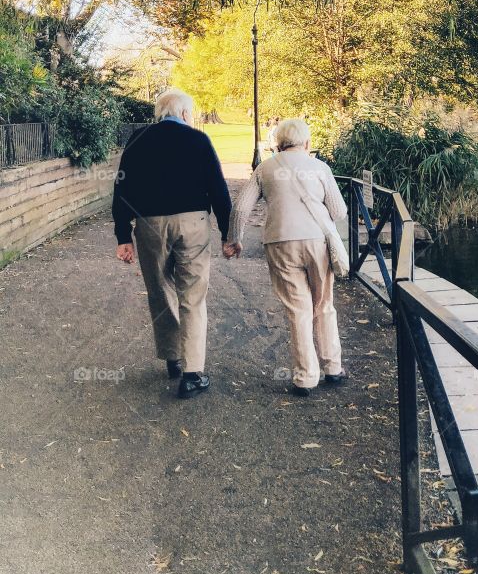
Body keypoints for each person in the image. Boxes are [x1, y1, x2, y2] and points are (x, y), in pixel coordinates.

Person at [112, 87, 232, 399]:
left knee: (159, 290)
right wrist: (228, 234)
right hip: (193, 223)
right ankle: (193, 374)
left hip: (150, 224)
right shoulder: (198, 139)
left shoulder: (137, 140)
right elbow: (218, 188)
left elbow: (121, 189)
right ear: (183, 113)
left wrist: (123, 236)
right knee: (192, 295)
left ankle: (173, 357)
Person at [225, 117, 349, 395]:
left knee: (298, 309)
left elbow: (241, 209)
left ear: (278, 144)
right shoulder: (320, 167)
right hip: (317, 241)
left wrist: (235, 239)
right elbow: (339, 212)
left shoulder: (265, 168)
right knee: (324, 304)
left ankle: (305, 377)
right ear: (307, 143)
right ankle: (333, 367)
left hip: (280, 242)